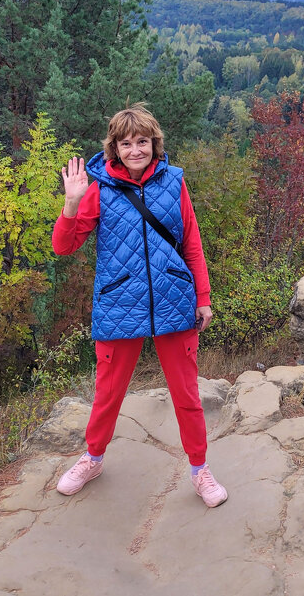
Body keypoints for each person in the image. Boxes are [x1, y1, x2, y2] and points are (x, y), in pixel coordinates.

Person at [50, 104, 228, 508]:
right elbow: (64, 246)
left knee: (186, 393)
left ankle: (200, 469)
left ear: (154, 143)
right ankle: (92, 459)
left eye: (142, 142)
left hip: (174, 301)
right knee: (108, 394)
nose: (135, 150)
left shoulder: (174, 183)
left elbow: (192, 245)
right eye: (126, 143)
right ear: (114, 148)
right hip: (118, 304)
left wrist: (203, 299)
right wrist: (72, 203)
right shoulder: (98, 188)